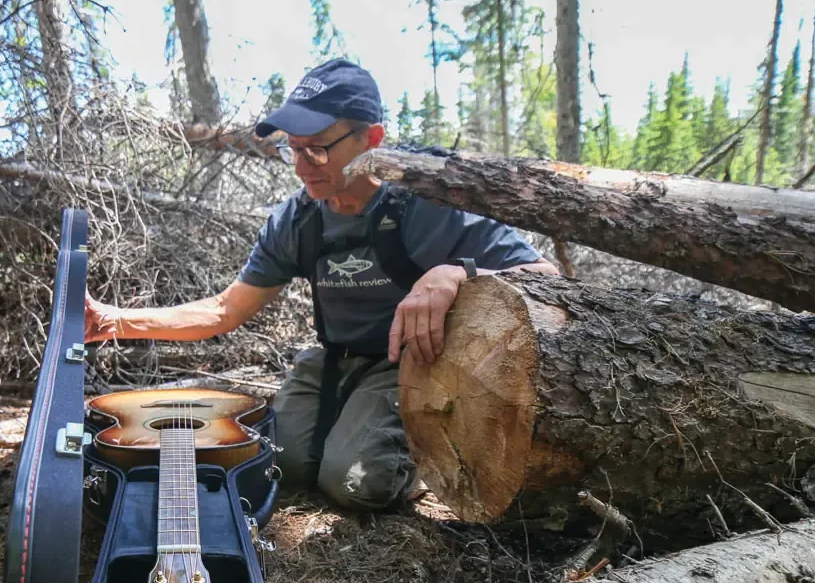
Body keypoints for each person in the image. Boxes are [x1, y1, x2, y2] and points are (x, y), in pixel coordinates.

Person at [85, 59, 558, 510]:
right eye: (292, 147)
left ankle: (429, 457)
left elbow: (545, 279)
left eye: (318, 148)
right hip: (335, 359)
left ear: (372, 139)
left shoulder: (426, 203)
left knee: (356, 483)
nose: (301, 165)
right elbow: (225, 310)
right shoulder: (300, 220)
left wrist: (458, 272)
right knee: (278, 464)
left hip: (413, 364)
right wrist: (111, 320)